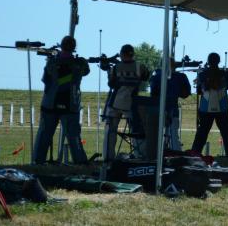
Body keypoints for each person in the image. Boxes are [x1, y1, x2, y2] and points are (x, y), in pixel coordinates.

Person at [33, 36, 90, 164]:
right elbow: (86, 71)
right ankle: (80, 162)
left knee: (44, 135)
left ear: (61, 46)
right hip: (71, 105)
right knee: (74, 136)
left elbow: (45, 80)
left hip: (50, 103)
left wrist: (55, 58)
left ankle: (38, 161)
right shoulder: (80, 63)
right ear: (74, 47)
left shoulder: (52, 62)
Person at [103, 44, 149, 161]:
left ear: (122, 54)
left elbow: (111, 84)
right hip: (132, 103)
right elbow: (146, 76)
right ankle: (139, 155)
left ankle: (108, 157)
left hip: (115, 103)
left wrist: (109, 70)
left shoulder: (116, 67)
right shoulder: (140, 67)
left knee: (111, 131)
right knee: (136, 130)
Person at [191, 53, 228, 156]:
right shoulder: (224, 73)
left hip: (205, 108)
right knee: (227, 134)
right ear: (219, 61)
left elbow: (198, 90)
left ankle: (194, 155)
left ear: (208, 61)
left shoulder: (202, 74)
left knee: (201, 134)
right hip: (222, 107)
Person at [149, 60, 191, 152]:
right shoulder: (181, 77)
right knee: (174, 136)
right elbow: (186, 93)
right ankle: (176, 155)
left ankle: (157, 154)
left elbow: (153, 94)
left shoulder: (155, 77)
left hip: (159, 109)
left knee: (159, 135)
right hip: (172, 108)